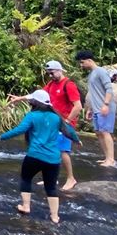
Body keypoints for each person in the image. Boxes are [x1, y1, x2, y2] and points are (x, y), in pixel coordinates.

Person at [0, 88, 81, 224]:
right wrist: (77, 140)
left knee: (26, 179)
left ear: (35, 102)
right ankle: (55, 216)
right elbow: (68, 130)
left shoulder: (32, 116)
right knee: (51, 187)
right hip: (53, 159)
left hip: (34, 156)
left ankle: (26, 206)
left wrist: (1, 137)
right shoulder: (56, 117)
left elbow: (20, 130)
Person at [43, 60, 82, 190]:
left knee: (63, 151)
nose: (50, 76)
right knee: (50, 148)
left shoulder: (69, 85)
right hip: (54, 122)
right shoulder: (51, 84)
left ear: (59, 70)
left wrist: (67, 121)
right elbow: (40, 96)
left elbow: (78, 106)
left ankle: (71, 178)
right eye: (48, 74)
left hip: (65, 124)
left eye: (52, 73)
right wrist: (21, 98)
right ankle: (51, 177)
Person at [77, 49, 117, 168]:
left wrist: (106, 104)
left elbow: (109, 89)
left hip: (105, 107)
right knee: (99, 132)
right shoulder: (91, 74)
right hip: (96, 108)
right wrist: (89, 108)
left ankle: (111, 159)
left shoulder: (100, 72)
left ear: (89, 60)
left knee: (105, 132)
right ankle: (106, 157)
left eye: (82, 62)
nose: (81, 65)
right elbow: (92, 93)